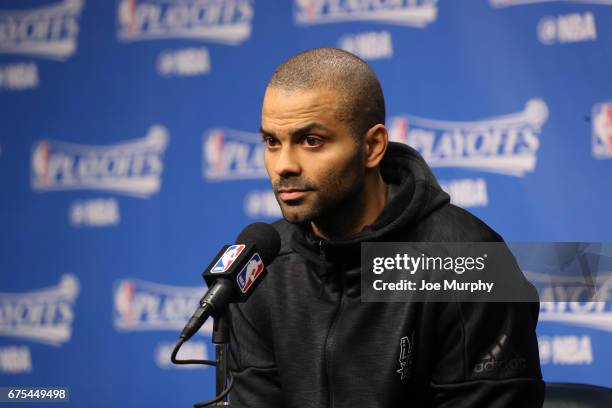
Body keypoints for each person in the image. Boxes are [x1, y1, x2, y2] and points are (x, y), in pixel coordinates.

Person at [228, 48, 544, 408]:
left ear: (373, 146)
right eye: (272, 141)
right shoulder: (261, 266)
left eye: (311, 141)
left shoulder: (474, 261)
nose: (283, 165)